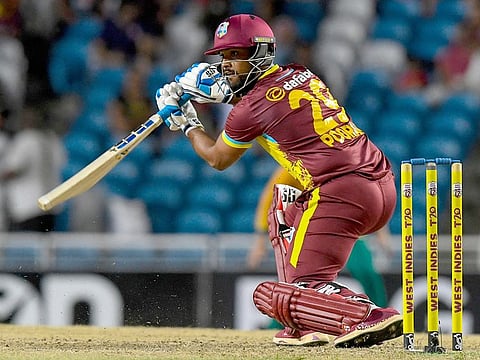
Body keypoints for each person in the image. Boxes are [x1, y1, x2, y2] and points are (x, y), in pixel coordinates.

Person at [155, 14, 401, 348]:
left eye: (234, 56)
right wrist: (228, 96)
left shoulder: (249, 109)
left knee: (283, 292)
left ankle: (367, 315)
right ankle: (303, 326)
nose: (226, 66)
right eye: (222, 57)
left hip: (340, 192)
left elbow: (217, 158)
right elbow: (273, 104)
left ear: (258, 53)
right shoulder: (302, 73)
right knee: (282, 206)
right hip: (381, 183)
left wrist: (185, 122)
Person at [248, 166, 392, 309]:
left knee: (366, 272)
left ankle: (381, 313)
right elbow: (269, 200)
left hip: (347, 228)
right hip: (310, 231)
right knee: (297, 280)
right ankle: (280, 322)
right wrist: (260, 243)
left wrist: (382, 232)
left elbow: (366, 197)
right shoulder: (295, 167)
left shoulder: (346, 163)